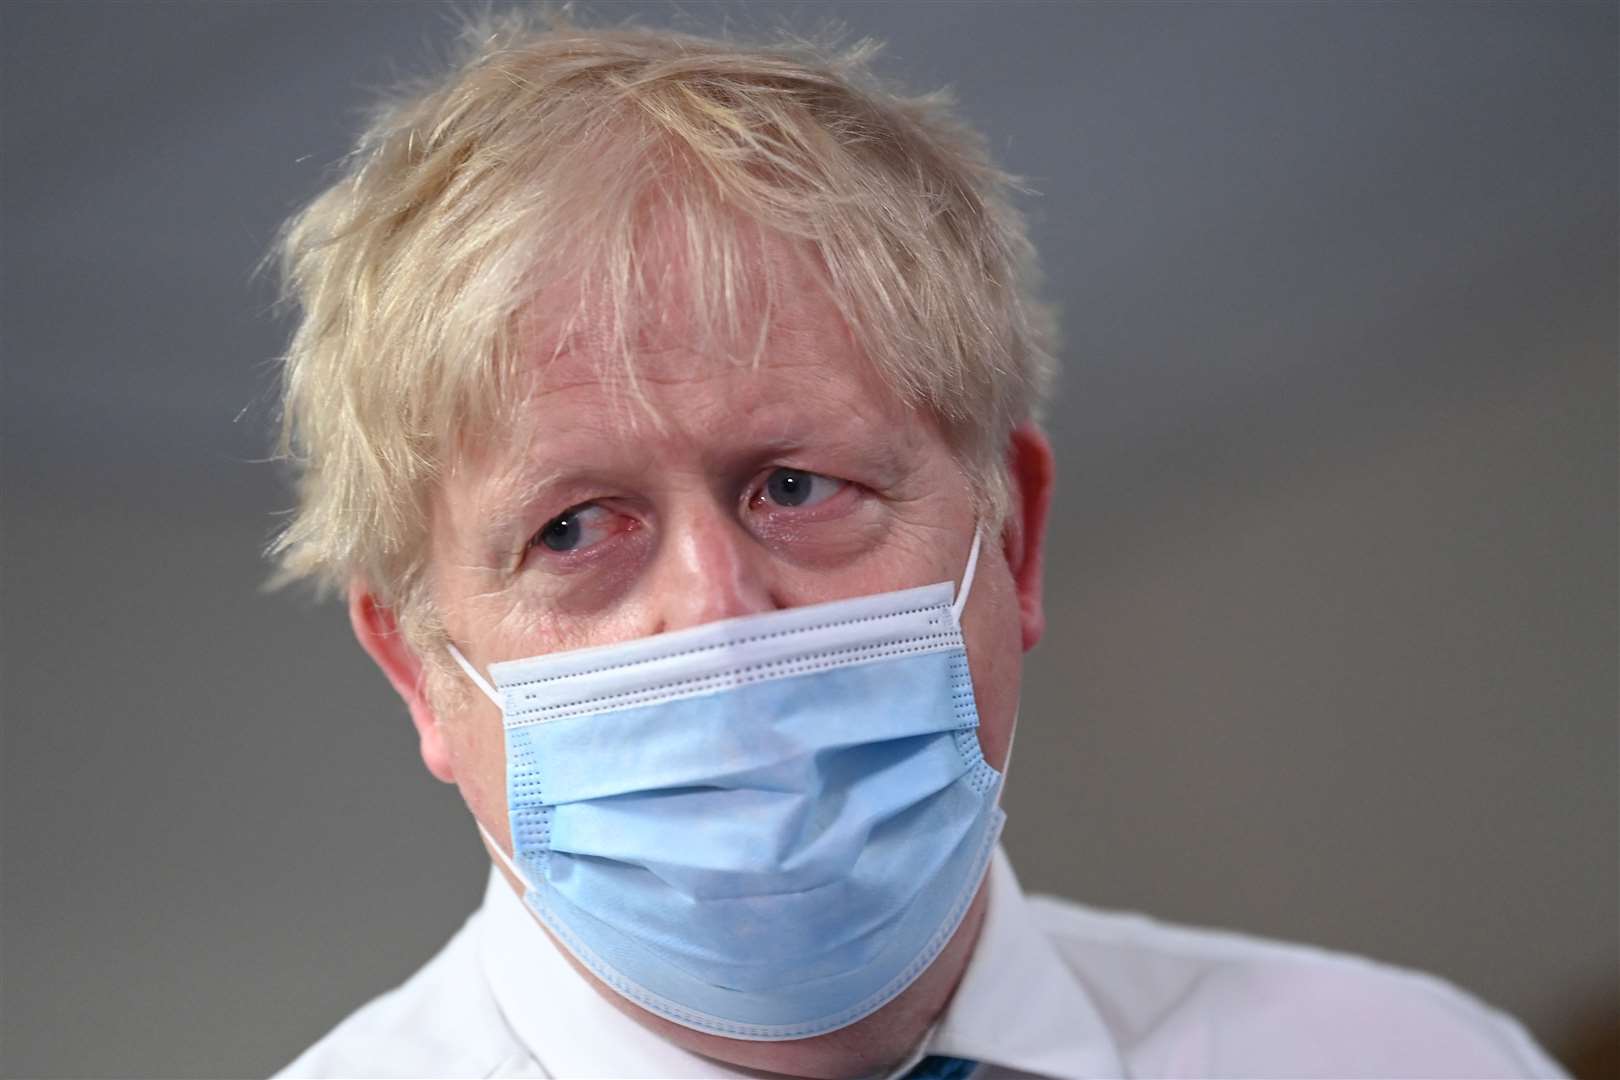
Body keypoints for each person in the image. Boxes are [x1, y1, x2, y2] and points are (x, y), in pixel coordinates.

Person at [269, 11, 1562, 1079]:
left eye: (795, 484)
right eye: (573, 528)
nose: (718, 613)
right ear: (417, 670)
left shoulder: (1413, 1057)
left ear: (1016, 540)